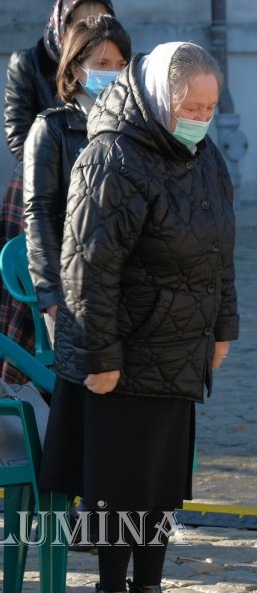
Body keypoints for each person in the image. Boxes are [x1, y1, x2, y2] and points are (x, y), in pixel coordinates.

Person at [41, 42, 237, 593]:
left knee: (160, 486)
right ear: (157, 98)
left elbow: (221, 250)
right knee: (119, 490)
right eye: (190, 107)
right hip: (123, 359)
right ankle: (110, 584)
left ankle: (149, 583)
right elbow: (87, 267)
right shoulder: (112, 157)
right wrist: (99, 358)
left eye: (209, 108)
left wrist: (223, 327)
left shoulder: (205, 157)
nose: (201, 119)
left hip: (179, 350)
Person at [0, 0, 115, 375]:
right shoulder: (28, 62)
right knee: (31, 281)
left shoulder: (111, 62)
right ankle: (22, 370)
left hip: (94, 183)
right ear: (63, 22)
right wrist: (53, 161)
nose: (88, 29)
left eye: (99, 20)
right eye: (80, 21)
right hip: (36, 181)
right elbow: (17, 133)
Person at [22, 14, 130, 349]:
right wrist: (51, 295)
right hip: (72, 289)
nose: (113, 73)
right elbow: (38, 215)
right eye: (102, 64)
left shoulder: (135, 127)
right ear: (74, 68)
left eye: (121, 64)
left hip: (128, 286)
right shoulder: (51, 128)